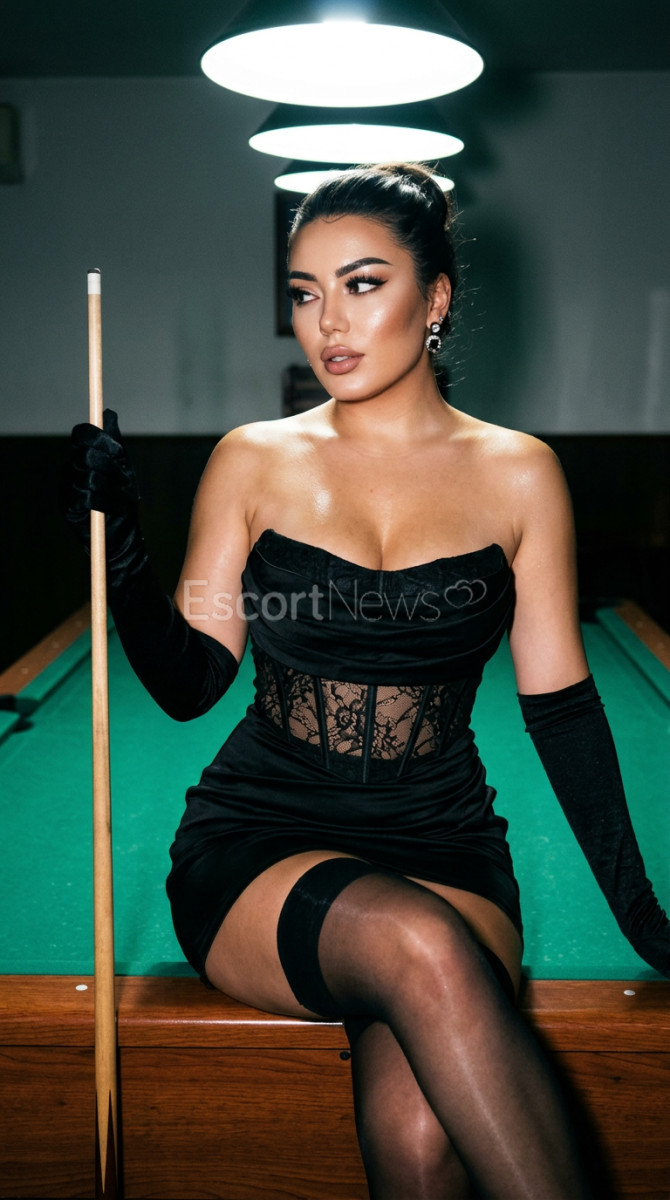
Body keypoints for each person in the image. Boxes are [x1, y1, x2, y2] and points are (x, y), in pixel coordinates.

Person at [64, 163, 669, 1200]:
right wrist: (120, 548)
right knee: (421, 944)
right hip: (260, 843)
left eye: (362, 284)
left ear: (434, 298)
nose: (328, 322)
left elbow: (562, 712)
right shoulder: (252, 459)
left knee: (424, 1141)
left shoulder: (522, 473)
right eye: (304, 292)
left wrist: (644, 919)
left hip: (445, 841)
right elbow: (190, 683)